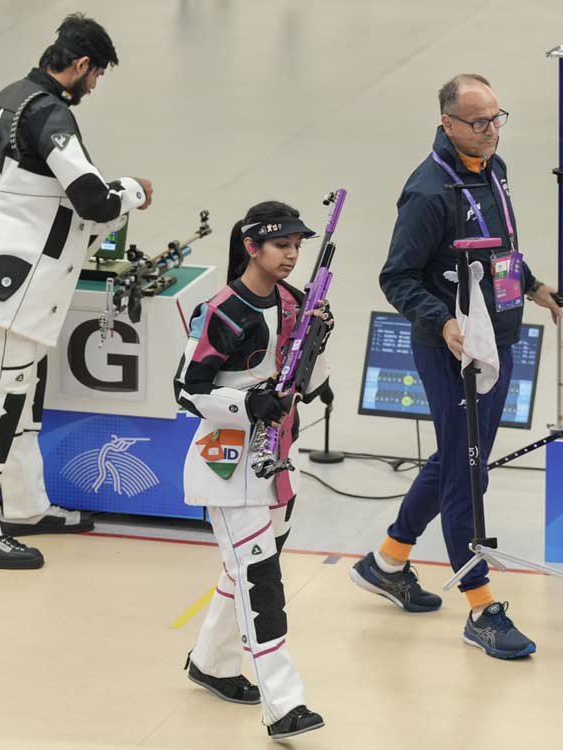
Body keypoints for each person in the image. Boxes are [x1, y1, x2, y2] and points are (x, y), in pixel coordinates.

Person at [0, 13, 155, 569]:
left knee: (18, 396)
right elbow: (93, 198)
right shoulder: (50, 114)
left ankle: (23, 506)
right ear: (81, 65)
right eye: (95, 77)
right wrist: (133, 193)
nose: (93, 88)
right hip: (13, 282)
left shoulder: (6, 96)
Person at [349, 74, 563, 658]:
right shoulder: (428, 192)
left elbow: (499, 251)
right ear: (447, 123)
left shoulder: (493, 168)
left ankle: (388, 560)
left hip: (497, 338)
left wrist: (532, 287)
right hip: (453, 350)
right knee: (467, 475)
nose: (492, 130)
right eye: (479, 122)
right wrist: (444, 322)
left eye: (498, 118)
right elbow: (396, 277)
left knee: (458, 459)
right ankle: (481, 608)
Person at [175, 201, 334, 740]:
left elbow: (301, 366)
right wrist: (248, 405)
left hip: (278, 459)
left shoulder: (294, 301)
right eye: (280, 245)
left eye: (296, 246)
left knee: (242, 570)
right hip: (227, 461)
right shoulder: (220, 312)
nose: (291, 255)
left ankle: (212, 664)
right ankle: (284, 705)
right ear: (252, 247)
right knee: (260, 580)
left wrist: (317, 368)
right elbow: (187, 390)